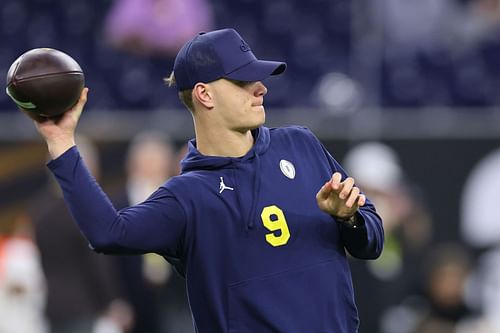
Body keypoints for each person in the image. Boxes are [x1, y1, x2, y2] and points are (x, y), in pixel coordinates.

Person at [30, 28, 384, 332]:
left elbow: (372, 242)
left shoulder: (300, 144)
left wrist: (348, 217)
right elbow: (109, 233)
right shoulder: (187, 197)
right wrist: (62, 143)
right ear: (204, 94)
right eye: (243, 80)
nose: (260, 87)